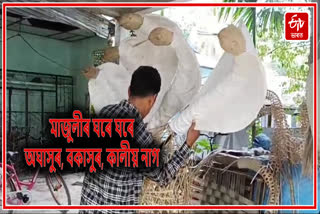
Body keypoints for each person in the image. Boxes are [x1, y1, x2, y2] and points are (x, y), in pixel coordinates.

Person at [79, 66, 200, 214]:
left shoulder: (105, 112)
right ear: (153, 100)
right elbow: (162, 177)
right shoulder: (140, 136)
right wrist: (188, 144)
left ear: (129, 90)